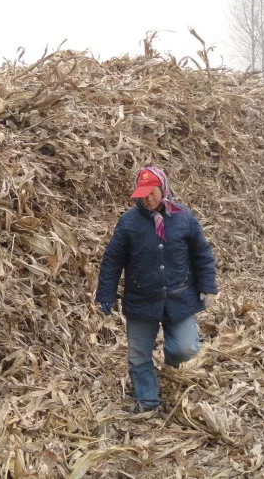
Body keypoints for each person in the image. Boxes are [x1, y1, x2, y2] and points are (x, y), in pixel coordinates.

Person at [94, 165, 217, 413]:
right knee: (139, 355)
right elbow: (112, 260)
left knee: (185, 348)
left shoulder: (184, 217)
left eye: (153, 192)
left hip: (179, 298)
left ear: (163, 189)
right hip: (141, 300)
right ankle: (147, 400)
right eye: (143, 194)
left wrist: (208, 287)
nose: (148, 199)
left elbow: (202, 255)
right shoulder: (129, 223)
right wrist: (106, 293)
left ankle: (171, 364)